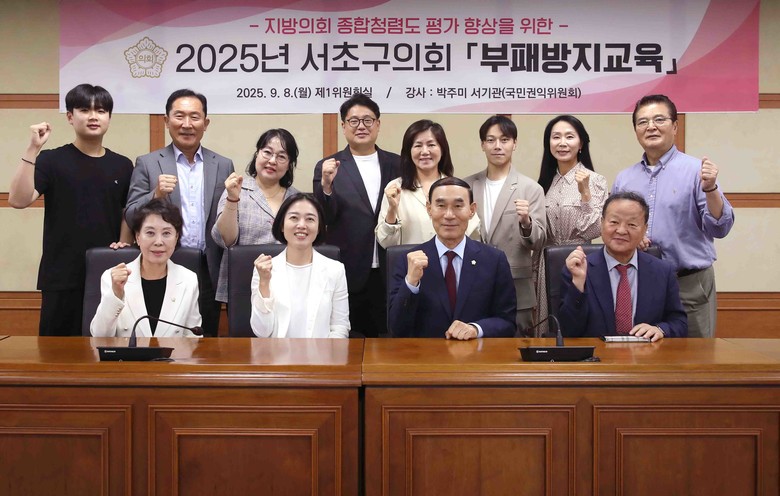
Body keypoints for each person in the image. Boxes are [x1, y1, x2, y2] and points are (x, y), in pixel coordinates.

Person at [8, 83, 133, 336]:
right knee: (56, 352)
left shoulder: (122, 165)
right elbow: (18, 200)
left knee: (106, 347)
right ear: (70, 116)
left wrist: (123, 246)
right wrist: (33, 148)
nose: (93, 116)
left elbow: (126, 213)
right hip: (61, 274)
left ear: (109, 117)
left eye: (101, 110)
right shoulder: (51, 160)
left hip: (108, 274)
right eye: (85, 110)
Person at [612, 94, 734, 338]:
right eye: (643, 122)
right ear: (636, 131)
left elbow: (720, 228)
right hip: (641, 283)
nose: (651, 127)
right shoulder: (624, 179)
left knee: (696, 355)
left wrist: (710, 188)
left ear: (675, 126)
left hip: (688, 283)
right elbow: (614, 230)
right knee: (643, 353)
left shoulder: (696, 171)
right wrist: (633, 238)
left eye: (659, 119)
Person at [125, 89, 234, 337]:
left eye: (194, 117)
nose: (187, 124)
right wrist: (155, 194)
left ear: (205, 123)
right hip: (164, 262)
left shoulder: (223, 164)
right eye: (179, 116)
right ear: (166, 121)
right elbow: (131, 215)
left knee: (204, 336)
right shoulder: (148, 163)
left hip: (209, 266)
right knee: (163, 332)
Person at [313, 93, 400, 337]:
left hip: (389, 266)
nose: (361, 126)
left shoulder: (397, 163)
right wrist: (326, 186)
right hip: (349, 269)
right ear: (343, 126)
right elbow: (324, 219)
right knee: (349, 340)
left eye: (368, 120)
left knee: (390, 340)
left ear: (378, 124)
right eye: (353, 121)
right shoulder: (328, 166)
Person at [388, 177, 516, 339]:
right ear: (429, 209)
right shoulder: (407, 261)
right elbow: (396, 328)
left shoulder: (494, 260)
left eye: (458, 206)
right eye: (441, 206)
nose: (449, 215)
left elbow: (507, 322)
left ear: (472, 210)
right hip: (425, 353)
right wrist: (411, 283)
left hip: (476, 352)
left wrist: (476, 329)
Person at [558, 191, 687, 341]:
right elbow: (568, 330)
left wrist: (660, 329)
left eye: (631, 224)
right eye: (614, 222)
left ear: (644, 229)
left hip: (645, 354)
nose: (621, 230)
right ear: (602, 223)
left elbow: (680, 323)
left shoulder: (663, 271)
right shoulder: (578, 269)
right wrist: (578, 284)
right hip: (597, 354)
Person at [464, 115, 546, 333]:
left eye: (505, 140)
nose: (497, 146)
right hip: (472, 284)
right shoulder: (466, 186)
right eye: (491, 140)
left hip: (516, 286)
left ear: (514, 143)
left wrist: (526, 222)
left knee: (517, 347)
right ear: (482, 144)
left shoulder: (531, 188)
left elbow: (539, 241)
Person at [534, 115, 608, 333]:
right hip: (546, 262)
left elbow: (595, 229)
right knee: (548, 324)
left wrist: (585, 193)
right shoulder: (543, 184)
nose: (562, 143)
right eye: (556, 137)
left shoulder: (595, 180)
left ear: (581, 143)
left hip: (580, 259)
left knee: (577, 323)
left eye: (569, 137)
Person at [211, 129, 300, 304]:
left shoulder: (296, 199)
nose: (272, 161)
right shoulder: (236, 189)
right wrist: (232, 199)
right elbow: (225, 240)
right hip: (243, 284)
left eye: (281, 156)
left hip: (288, 286)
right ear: (257, 154)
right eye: (267, 152)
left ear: (289, 164)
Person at [91, 199, 201, 337]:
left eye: (166, 233)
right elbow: (99, 336)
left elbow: (193, 338)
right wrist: (116, 293)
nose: (158, 242)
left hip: (174, 352)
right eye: (150, 233)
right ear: (137, 237)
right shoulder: (112, 277)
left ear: (176, 237)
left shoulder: (188, 279)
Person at [250, 193, 349, 338]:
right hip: (277, 352)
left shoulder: (335, 270)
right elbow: (261, 332)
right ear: (282, 225)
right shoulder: (264, 270)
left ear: (319, 227)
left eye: (310, 219)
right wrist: (264, 283)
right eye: (294, 218)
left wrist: (326, 352)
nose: (302, 225)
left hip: (321, 352)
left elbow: (340, 327)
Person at [376, 119, 479, 247]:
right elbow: (386, 243)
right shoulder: (395, 188)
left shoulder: (458, 189)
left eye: (431, 145)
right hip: (411, 259)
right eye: (418, 145)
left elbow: (474, 235)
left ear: (442, 149)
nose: (425, 151)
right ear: (409, 151)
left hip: (450, 259)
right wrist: (392, 209)